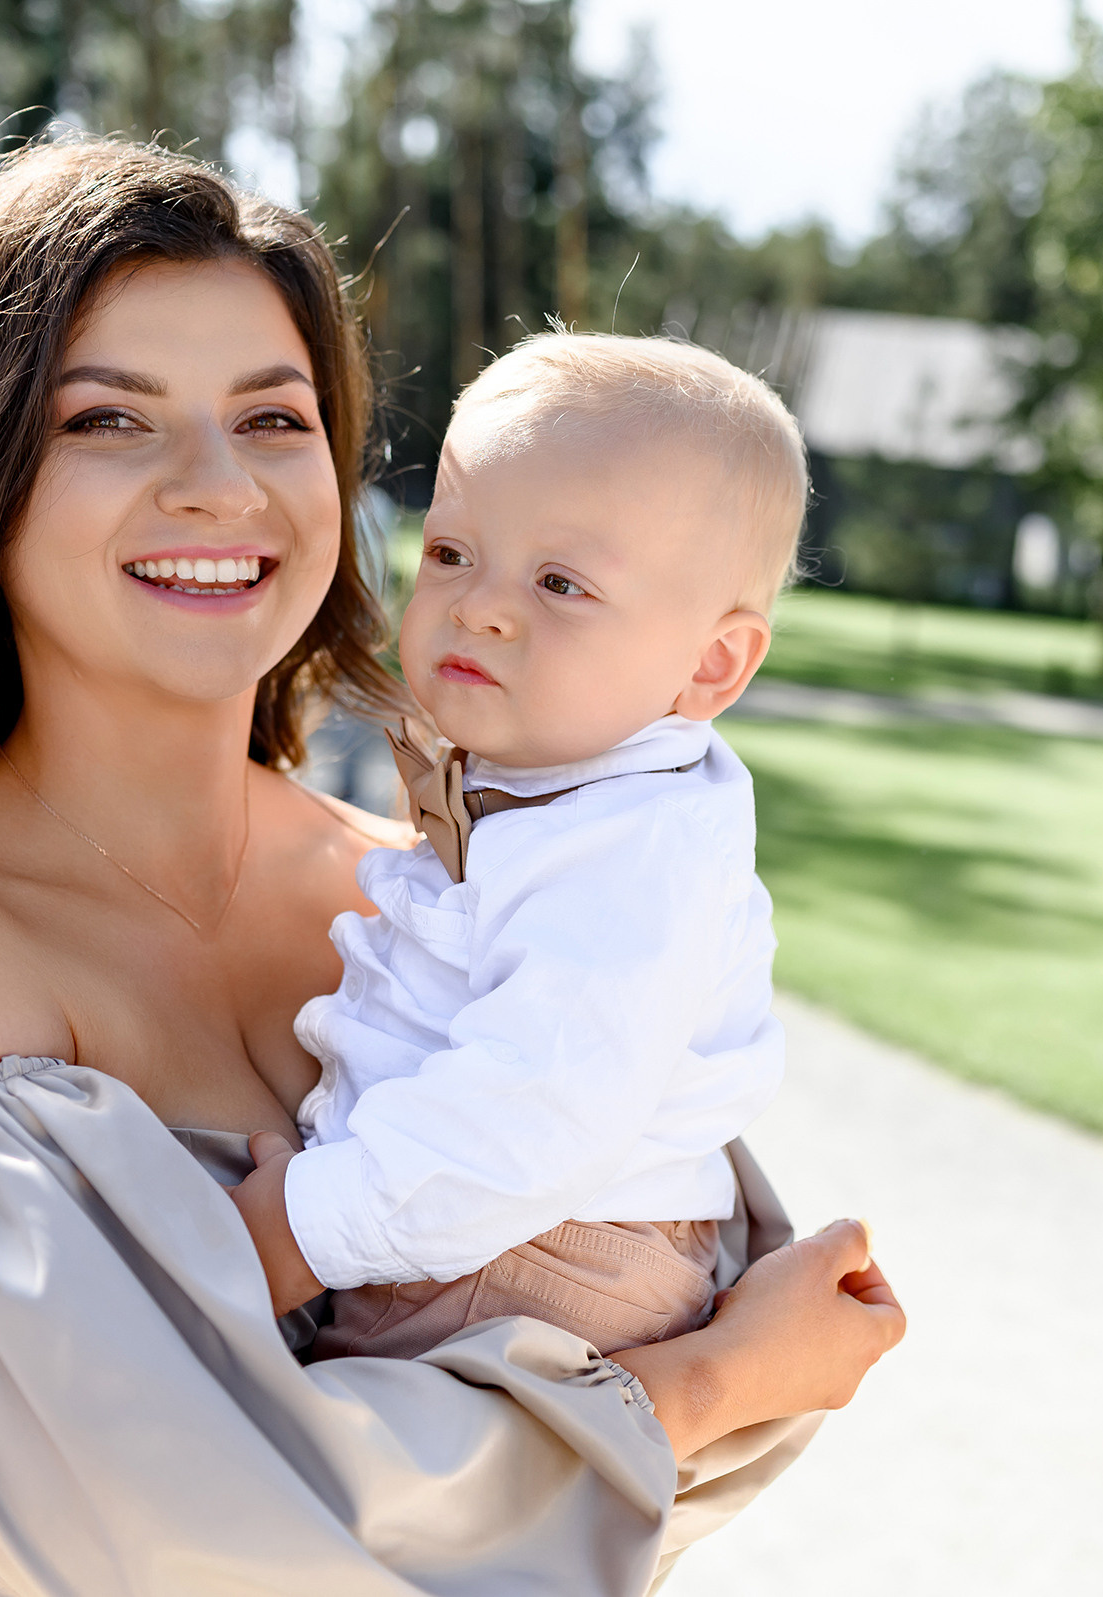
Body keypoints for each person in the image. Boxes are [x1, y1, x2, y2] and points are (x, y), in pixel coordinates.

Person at [0, 137, 902, 1597]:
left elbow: (698, 1264)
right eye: (110, 418)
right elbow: (183, 1549)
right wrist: (703, 1390)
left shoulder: (425, 886)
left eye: (273, 418)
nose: (217, 484)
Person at [231, 334, 805, 1366]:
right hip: (474, 1220)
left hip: (532, 1257)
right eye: (452, 554)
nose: (480, 606)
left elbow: (535, 1111)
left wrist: (295, 1229)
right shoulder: (569, 788)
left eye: (559, 582)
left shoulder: (633, 852)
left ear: (712, 664)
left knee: (360, 1458)